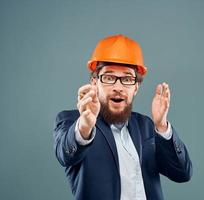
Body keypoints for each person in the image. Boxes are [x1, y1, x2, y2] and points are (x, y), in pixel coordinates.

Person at [53, 34, 192, 200]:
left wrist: (161, 126)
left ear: (136, 87)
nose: (118, 87)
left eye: (126, 79)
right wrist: (84, 127)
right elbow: (65, 155)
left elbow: (182, 173)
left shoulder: (146, 126)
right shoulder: (72, 121)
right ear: (94, 82)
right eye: (109, 78)